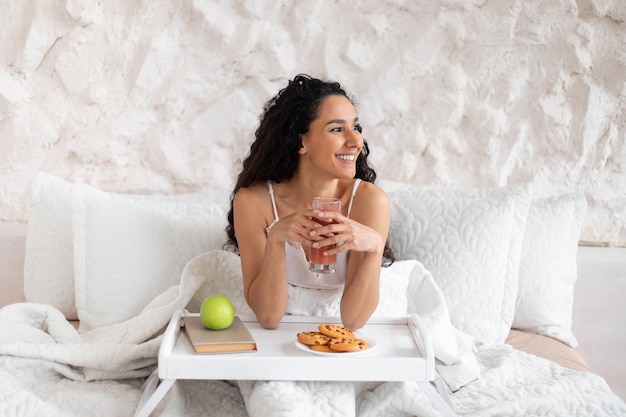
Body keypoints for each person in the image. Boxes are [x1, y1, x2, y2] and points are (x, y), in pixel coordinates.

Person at [226, 74, 394, 331]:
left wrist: (374, 247)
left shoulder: (370, 202)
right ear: (301, 141)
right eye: (337, 129)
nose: (356, 141)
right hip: (278, 337)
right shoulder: (253, 202)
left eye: (356, 127)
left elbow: (354, 320)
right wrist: (276, 240)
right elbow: (269, 317)